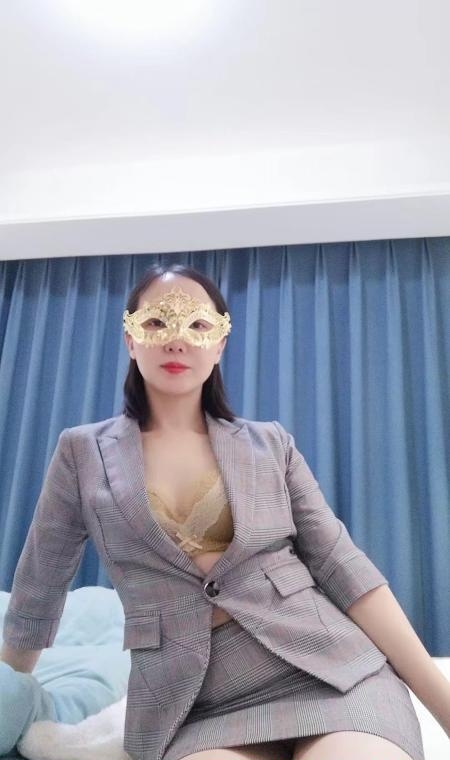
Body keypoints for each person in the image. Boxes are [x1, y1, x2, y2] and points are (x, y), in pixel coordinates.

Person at [1, 263, 448, 760]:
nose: (177, 340)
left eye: (198, 325)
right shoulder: (82, 452)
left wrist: (443, 705)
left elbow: (343, 567)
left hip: (328, 671)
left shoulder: (270, 444)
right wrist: (8, 689)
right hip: (194, 702)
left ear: (219, 344)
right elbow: (40, 583)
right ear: (130, 339)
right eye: (156, 322)